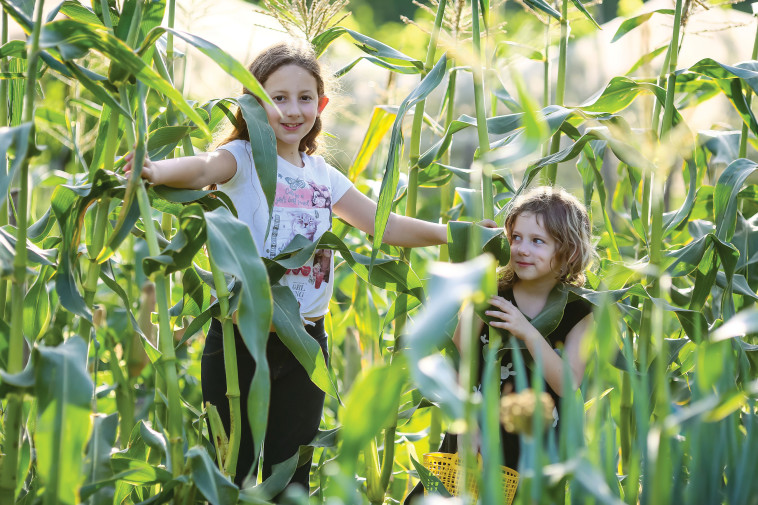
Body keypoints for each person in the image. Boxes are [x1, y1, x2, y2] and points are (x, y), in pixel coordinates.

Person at [124, 40, 479, 495]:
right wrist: (154, 170)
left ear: (321, 104)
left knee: (291, 477)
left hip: (305, 344)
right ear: (252, 106)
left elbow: (381, 223)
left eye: (305, 97)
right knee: (231, 471)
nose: (293, 110)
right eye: (278, 98)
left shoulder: (322, 176)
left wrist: (456, 231)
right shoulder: (243, 161)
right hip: (238, 343)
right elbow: (201, 168)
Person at [404, 186, 595, 503]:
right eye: (516, 237)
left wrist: (528, 332)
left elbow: (568, 383)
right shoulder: (489, 291)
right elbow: (456, 364)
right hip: (475, 433)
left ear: (569, 251)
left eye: (537, 241)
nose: (521, 249)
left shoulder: (579, 311)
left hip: (536, 446)